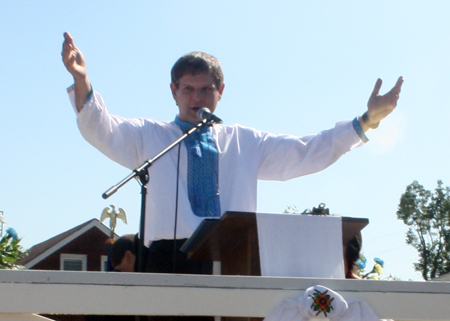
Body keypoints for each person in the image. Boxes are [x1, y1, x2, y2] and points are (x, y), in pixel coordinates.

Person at [62, 32, 403, 275]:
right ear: (174, 92)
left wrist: (366, 121)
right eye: (188, 89)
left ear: (221, 91)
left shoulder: (245, 141)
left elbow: (306, 151)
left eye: (206, 89)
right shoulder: (150, 136)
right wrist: (82, 82)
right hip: (166, 260)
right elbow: (100, 128)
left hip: (232, 257)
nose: (197, 97)